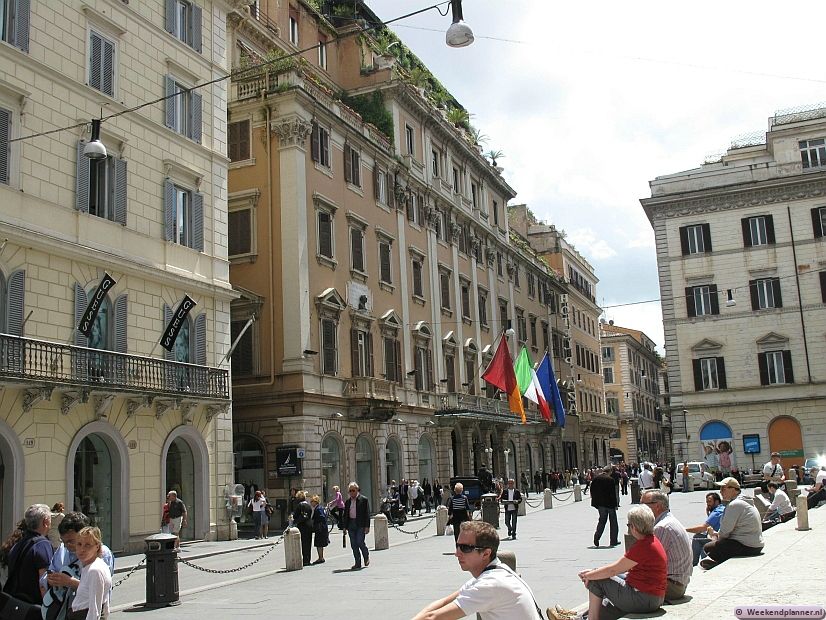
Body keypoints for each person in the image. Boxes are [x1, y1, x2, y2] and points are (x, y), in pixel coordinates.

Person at [551, 505, 666, 620]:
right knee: (603, 588)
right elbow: (619, 569)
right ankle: (576, 617)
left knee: (597, 580)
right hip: (652, 598)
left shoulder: (643, 547)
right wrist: (594, 572)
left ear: (634, 527)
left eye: (628, 525)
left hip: (644, 599)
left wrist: (588, 576)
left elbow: (613, 569)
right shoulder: (652, 541)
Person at [412, 521, 542, 620]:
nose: (457, 553)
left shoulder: (490, 584)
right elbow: (444, 602)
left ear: (486, 553)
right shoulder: (496, 571)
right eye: (457, 546)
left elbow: (433, 617)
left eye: (465, 548)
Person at [41, 511, 115, 620]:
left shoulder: (102, 556)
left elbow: (99, 593)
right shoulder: (62, 551)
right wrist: (51, 579)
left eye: (71, 541)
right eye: (63, 541)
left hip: (86, 612)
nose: (67, 546)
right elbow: (47, 576)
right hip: (64, 611)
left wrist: (70, 582)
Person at [640, 490, 692, 602]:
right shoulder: (668, 520)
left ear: (657, 506)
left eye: (643, 505)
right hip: (677, 583)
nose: (640, 509)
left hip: (671, 586)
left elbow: (647, 562)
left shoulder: (661, 527)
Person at [701, 477, 763, 569]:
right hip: (756, 545)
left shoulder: (734, 504)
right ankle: (715, 560)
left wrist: (714, 536)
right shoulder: (744, 501)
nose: (721, 492)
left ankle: (716, 561)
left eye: (723, 489)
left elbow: (725, 533)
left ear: (734, 489)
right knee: (716, 545)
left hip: (746, 545)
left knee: (708, 547)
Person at [2, 504, 53, 604]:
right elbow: (43, 583)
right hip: (33, 608)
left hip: (15, 604)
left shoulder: (18, 543)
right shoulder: (42, 545)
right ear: (45, 521)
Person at [69, 527, 111, 620]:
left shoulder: (94, 570)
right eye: (79, 544)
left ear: (97, 546)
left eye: (87, 545)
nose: (82, 549)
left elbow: (95, 608)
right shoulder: (90, 566)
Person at [685, 492, 725, 566]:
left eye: (710, 501)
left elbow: (703, 528)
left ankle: (694, 563)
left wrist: (684, 529)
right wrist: (708, 513)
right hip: (720, 537)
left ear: (716, 502)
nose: (707, 504)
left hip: (718, 539)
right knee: (700, 537)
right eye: (707, 502)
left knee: (697, 537)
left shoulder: (716, 512)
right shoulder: (722, 508)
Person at [341, 482, 370, 570]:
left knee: (360, 541)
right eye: (350, 491)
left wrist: (367, 526)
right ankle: (357, 562)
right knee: (353, 544)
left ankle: (366, 555)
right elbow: (345, 515)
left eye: (353, 490)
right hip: (351, 524)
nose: (351, 493)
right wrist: (344, 527)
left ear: (357, 490)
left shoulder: (364, 500)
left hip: (360, 524)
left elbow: (367, 514)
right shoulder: (348, 502)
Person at [590, 466, 619, 548]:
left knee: (602, 521)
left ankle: (597, 536)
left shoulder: (596, 479)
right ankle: (613, 540)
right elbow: (613, 494)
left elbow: (592, 490)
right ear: (609, 472)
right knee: (613, 522)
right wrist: (615, 504)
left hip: (600, 504)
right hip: (610, 504)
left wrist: (595, 502)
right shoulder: (610, 480)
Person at [291, 490, 313, 566]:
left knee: (303, 543)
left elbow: (296, 516)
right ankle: (308, 559)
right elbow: (309, 514)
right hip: (309, 525)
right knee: (308, 543)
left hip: (303, 526)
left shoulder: (300, 505)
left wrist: (295, 521)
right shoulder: (308, 505)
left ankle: (305, 560)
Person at [309, 495, 329, 565]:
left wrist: (317, 523)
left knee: (319, 543)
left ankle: (320, 557)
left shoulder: (318, 509)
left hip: (320, 528)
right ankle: (321, 557)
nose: (311, 503)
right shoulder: (319, 508)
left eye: (312, 501)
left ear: (315, 502)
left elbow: (322, 517)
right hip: (322, 527)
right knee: (319, 543)